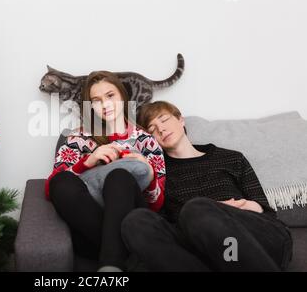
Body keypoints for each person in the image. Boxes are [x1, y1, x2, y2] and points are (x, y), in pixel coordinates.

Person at [121, 101, 293, 271]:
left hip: (254, 238)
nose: (161, 129)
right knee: (135, 221)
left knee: (197, 208)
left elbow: (265, 210)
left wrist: (228, 209)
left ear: (181, 120)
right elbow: (161, 227)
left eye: (164, 120)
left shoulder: (231, 158)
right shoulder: (159, 173)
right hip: (201, 250)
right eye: (152, 129)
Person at [45, 71, 166, 271]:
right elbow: (52, 189)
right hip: (91, 232)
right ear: (90, 105)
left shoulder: (146, 141)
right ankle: (124, 253)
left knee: (119, 175)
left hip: (133, 222)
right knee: (61, 181)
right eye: (96, 100)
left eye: (110, 96)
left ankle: (111, 267)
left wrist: (150, 174)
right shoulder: (78, 138)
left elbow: (156, 207)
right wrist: (88, 161)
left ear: (122, 97)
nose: (105, 104)